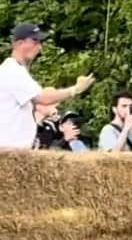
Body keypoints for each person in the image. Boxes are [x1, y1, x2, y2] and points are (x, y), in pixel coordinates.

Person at [0, 22, 94, 150]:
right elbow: (44, 98)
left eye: (40, 42)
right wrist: (75, 89)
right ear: (19, 44)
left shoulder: (16, 71)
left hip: (15, 153)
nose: (39, 47)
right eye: (34, 41)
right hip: (9, 153)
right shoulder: (12, 71)